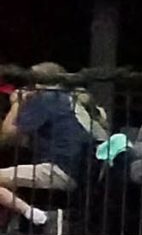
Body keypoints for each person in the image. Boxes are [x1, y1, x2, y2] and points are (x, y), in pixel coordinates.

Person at [1, 63, 95, 202]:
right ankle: (24, 217)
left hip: (60, 169)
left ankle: (37, 216)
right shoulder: (70, 98)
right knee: (8, 182)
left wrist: (17, 103)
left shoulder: (48, 98)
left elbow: (7, 135)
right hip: (82, 170)